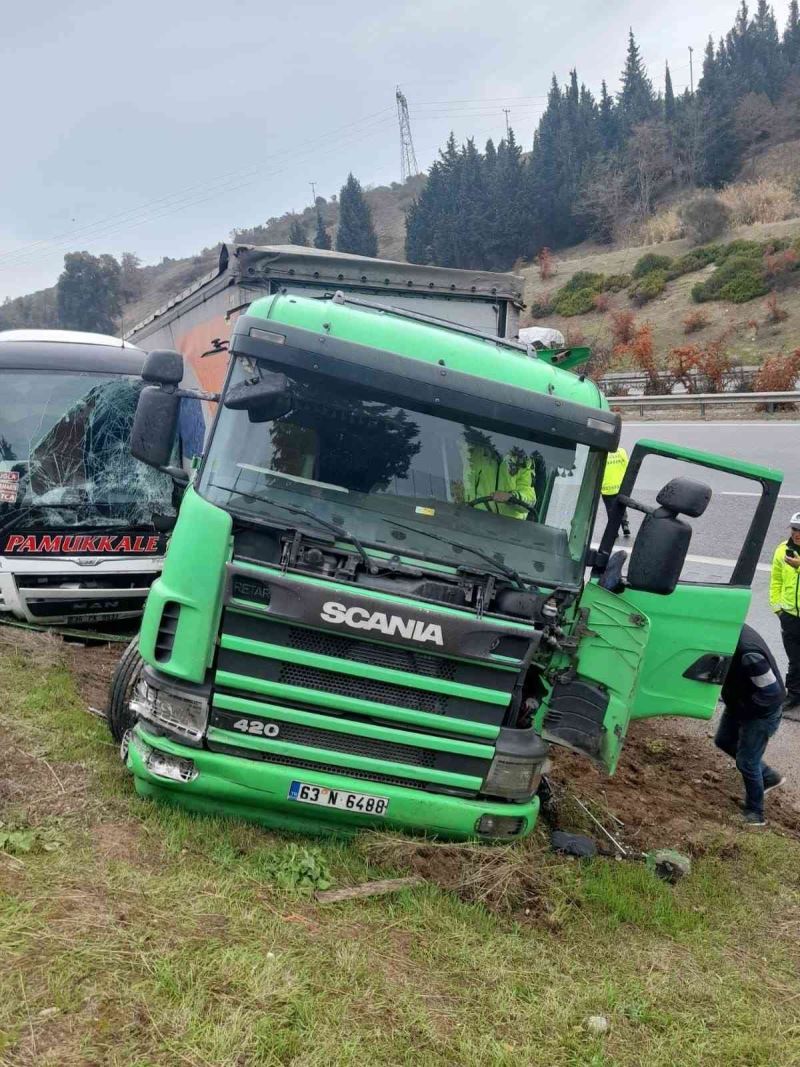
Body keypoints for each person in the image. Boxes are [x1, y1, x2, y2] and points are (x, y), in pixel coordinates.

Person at [714, 623, 785, 826]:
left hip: (761, 712)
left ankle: (755, 813)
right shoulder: (731, 629)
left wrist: (746, 711)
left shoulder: (748, 654)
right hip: (741, 702)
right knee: (723, 740)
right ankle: (769, 777)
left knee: (747, 761)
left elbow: (771, 693)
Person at [461, 430, 535, 520]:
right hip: (474, 520)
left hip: (510, 528)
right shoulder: (474, 453)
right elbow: (465, 486)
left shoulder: (523, 462)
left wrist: (511, 497)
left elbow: (530, 501)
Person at [769, 512, 800, 715]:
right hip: (789, 616)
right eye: (795, 529)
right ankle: (794, 694)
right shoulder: (782, 550)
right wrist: (777, 608)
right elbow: (776, 580)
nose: (797, 534)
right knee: (795, 659)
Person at [601, 446, 631, 538]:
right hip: (620, 486)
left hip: (607, 487)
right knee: (621, 506)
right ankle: (625, 524)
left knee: (611, 509)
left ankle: (614, 531)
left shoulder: (602, 453)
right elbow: (627, 466)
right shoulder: (622, 452)